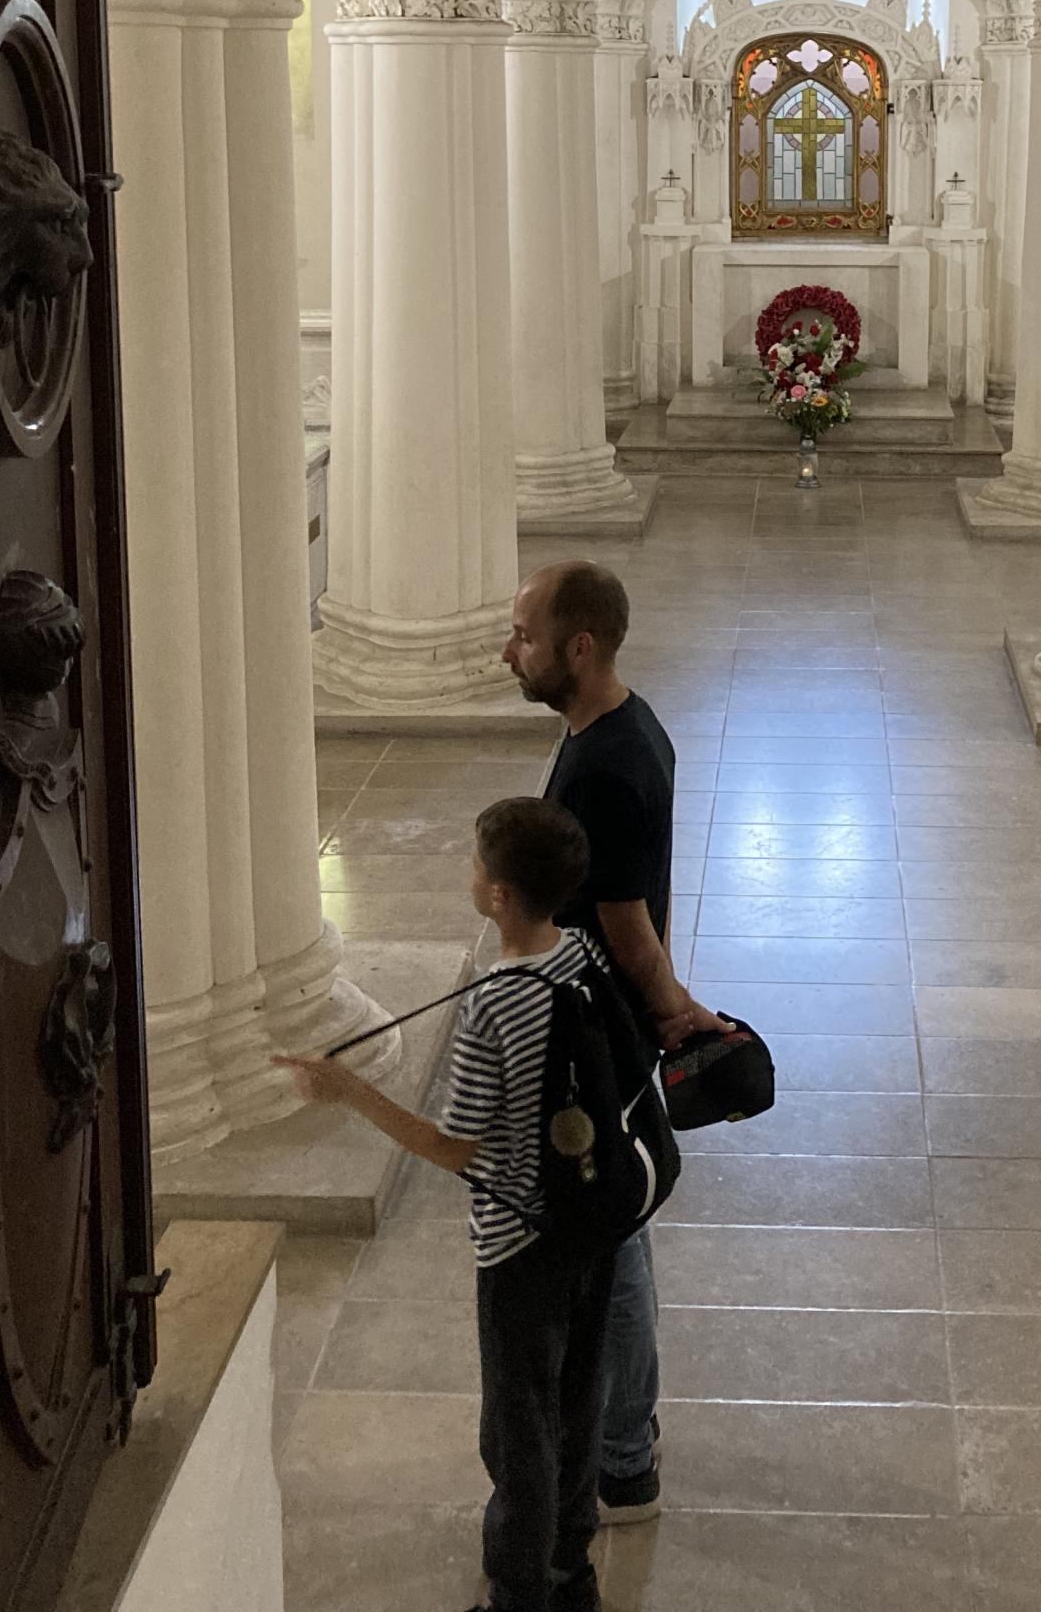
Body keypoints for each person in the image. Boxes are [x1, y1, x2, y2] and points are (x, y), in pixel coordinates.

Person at [277, 798, 615, 1612]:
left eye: (474, 865)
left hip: (519, 1245)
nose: (466, 874)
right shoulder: (584, 962)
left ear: (500, 895)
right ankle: (573, 1571)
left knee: (516, 1432)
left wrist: (349, 1090)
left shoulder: (494, 1003)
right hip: (590, 1222)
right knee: (576, 1399)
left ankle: (519, 1592)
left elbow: (453, 1147)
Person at [503, 561, 728, 1525]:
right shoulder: (620, 727)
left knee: (617, 1238)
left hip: (598, 1033)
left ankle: (625, 1455)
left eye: (523, 634)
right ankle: (620, 1436)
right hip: (602, 1019)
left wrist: (675, 1008)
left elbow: (627, 924)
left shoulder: (608, 767)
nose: (507, 649)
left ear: (578, 647)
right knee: (612, 1234)